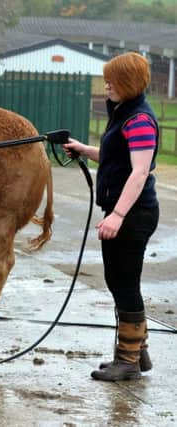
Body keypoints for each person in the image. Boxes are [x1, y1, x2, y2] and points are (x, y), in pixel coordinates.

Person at [64, 52, 160, 381]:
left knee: (124, 283)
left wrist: (118, 214)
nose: (107, 86)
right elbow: (116, 154)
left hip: (135, 214)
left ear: (130, 83)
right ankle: (136, 351)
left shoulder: (139, 120)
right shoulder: (124, 114)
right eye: (106, 80)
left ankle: (129, 360)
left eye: (114, 81)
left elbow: (139, 171)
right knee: (117, 281)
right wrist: (84, 149)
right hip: (125, 213)